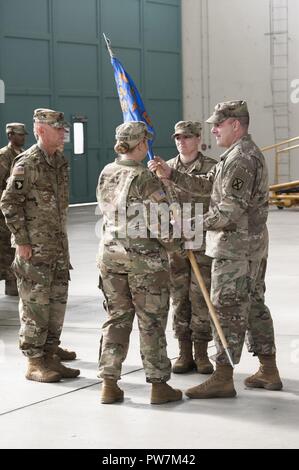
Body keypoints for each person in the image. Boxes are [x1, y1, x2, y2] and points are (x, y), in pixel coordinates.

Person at [148, 100, 282, 398]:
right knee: (254, 307)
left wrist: (190, 224)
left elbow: (228, 212)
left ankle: (223, 377)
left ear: (236, 125)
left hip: (237, 250)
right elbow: (208, 184)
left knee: (227, 310)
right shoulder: (233, 155)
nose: (213, 129)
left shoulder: (241, 159)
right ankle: (268, 369)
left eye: (218, 124)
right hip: (245, 247)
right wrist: (172, 176)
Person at [97, 121, 183, 405]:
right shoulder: (145, 179)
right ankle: (159, 386)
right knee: (151, 322)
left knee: (117, 318)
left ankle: (109, 383)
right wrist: (178, 243)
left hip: (110, 255)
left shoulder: (107, 171)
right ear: (142, 145)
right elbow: (160, 226)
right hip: (143, 262)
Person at [0, 108, 80, 382]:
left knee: (56, 306)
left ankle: (50, 356)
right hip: (34, 251)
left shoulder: (59, 161)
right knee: (35, 307)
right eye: (58, 129)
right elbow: (8, 202)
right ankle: (34, 363)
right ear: (41, 130)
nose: (63, 133)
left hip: (57, 249)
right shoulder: (28, 163)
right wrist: (21, 240)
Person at [166, 121, 217, 374]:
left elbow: (217, 204)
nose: (181, 141)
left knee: (201, 298)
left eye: (187, 137)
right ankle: (184, 353)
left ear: (198, 139)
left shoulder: (212, 168)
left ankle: (201, 353)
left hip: (202, 242)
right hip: (175, 244)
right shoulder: (164, 168)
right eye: (178, 137)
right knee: (179, 298)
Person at [0, 123, 27, 296]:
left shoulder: (22, 155)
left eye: (24, 134)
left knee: (13, 249)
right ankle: (10, 284)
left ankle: (13, 284)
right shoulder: (4, 155)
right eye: (19, 134)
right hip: (4, 212)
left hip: (18, 210)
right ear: (10, 135)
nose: (23, 137)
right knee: (4, 249)